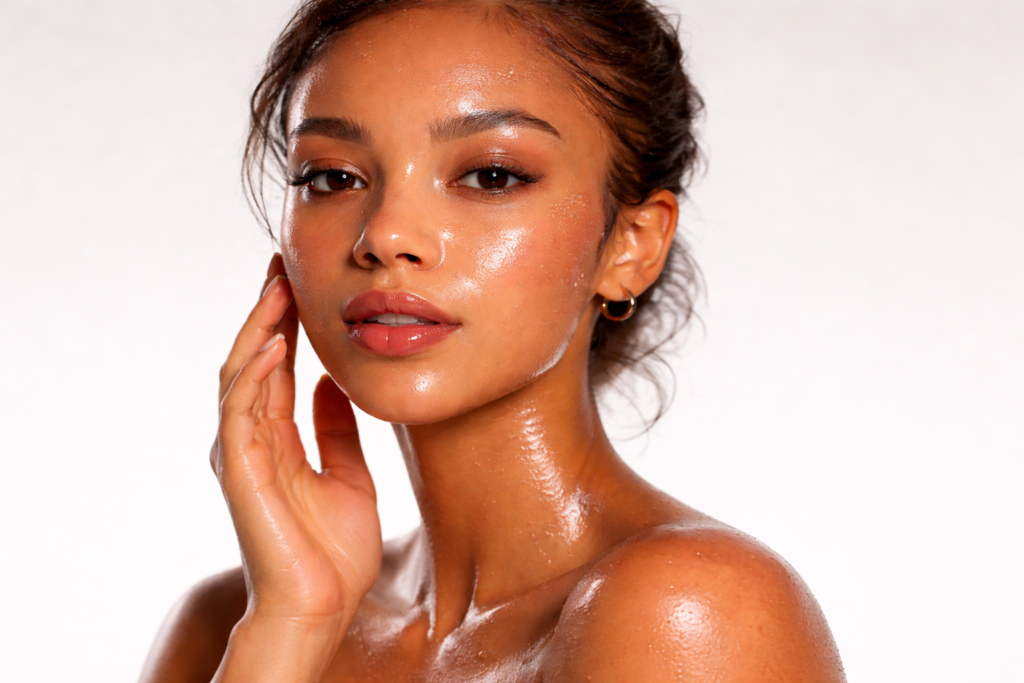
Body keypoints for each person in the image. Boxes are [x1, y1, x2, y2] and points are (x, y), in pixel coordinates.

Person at [140, 1, 846, 681]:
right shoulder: (228, 622)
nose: (384, 234)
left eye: (491, 175)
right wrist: (289, 627)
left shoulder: (690, 610)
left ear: (631, 244)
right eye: (333, 177)